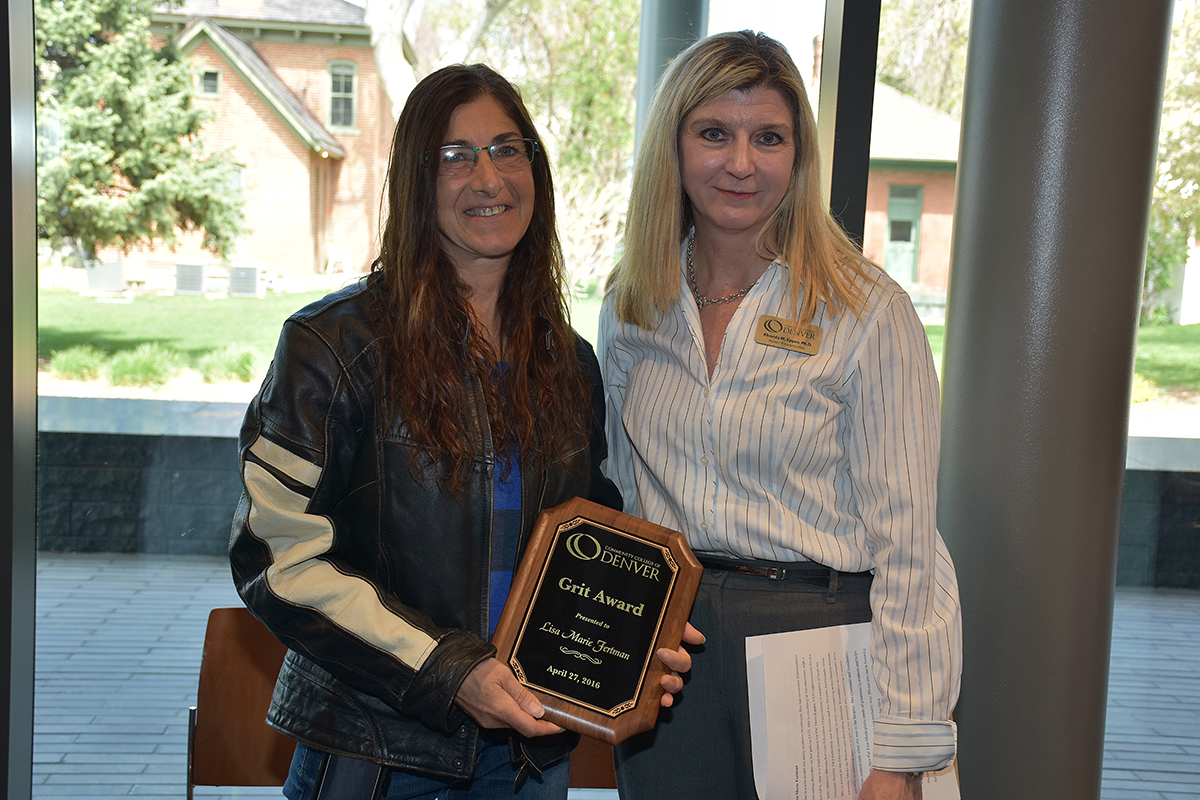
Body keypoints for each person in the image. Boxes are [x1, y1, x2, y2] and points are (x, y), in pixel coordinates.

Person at [230, 64, 695, 800]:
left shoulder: (566, 361)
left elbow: (587, 539)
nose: (489, 177)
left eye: (509, 150)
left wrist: (640, 639)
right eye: (456, 156)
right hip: (382, 751)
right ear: (418, 182)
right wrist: (450, 671)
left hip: (528, 756)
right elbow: (277, 558)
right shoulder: (334, 347)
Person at [598, 31, 962, 800]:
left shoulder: (865, 312)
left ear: (799, 157)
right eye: (713, 134)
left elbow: (909, 549)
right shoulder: (633, 302)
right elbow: (625, 502)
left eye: (768, 137)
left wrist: (898, 756)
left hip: (821, 639)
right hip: (674, 649)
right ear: (675, 145)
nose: (740, 164)